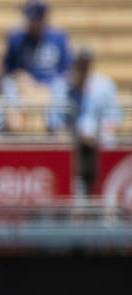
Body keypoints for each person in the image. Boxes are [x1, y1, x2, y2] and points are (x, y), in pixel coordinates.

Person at [49, 49, 123, 199]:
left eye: (86, 65)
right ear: (73, 65)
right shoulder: (61, 87)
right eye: (80, 64)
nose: (83, 68)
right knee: (64, 146)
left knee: (108, 141)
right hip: (72, 142)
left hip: (99, 140)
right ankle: (74, 201)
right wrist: (77, 136)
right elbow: (55, 123)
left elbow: (114, 119)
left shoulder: (105, 85)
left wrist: (94, 134)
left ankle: (103, 197)